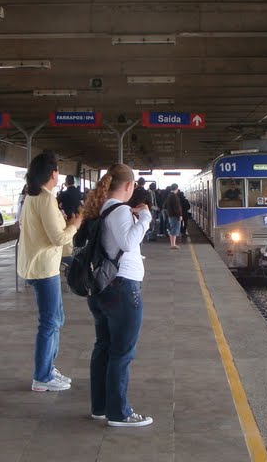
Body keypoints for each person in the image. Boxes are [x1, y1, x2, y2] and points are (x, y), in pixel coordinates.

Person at [80, 163, 153, 427]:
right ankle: (119, 413)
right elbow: (128, 243)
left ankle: (100, 407)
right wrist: (145, 217)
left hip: (103, 288)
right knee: (122, 352)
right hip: (122, 288)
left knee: (104, 347)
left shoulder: (102, 208)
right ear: (129, 186)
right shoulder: (120, 209)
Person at [17, 151, 82, 392]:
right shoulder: (45, 199)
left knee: (56, 319)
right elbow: (57, 237)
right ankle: (42, 376)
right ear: (53, 174)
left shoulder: (32, 197)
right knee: (49, 322)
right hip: (44, 268)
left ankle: (47, 368)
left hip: (38, 265)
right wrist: (75, 224)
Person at [164, 184, 183, 250]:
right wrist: (179, 215)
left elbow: (165, 205)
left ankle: (173, 243)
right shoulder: (174, 196)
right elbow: (177, 207)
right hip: (174, 216)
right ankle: (173, 244)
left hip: (171, 215)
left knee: (172, 228)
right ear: (176, 188)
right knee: (174, 229)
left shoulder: (169, 195)